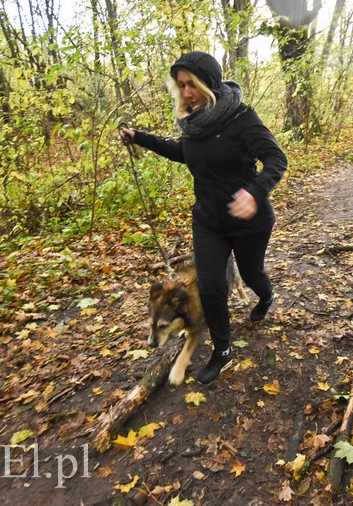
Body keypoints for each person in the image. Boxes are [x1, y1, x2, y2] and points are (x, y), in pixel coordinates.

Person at [118, 51, 288, 384]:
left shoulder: (241, 117)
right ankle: (223, 351)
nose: (186, 93)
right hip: (209, 221)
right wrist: (140, 137)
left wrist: (255, 192)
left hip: (250, 221)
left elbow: (275, 159)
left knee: (252, 274)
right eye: (181, 85)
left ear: (208, 82)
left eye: (191, 84)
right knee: (211, 287)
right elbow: (184, 152)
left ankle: (266, 296)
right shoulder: (193, 122)